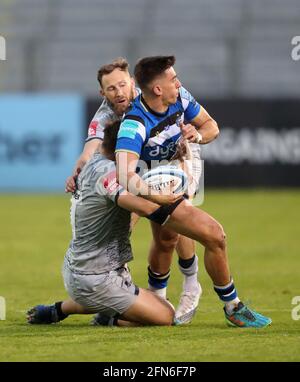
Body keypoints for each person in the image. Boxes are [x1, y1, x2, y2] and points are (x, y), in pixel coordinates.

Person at [28, 121, 271, 328]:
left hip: (88, 268)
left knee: (150, 301)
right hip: (95, 276)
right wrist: (174, 197)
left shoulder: (97, 162)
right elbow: (148, 209)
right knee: (165, 315)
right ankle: (108, 317)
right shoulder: (109, 173)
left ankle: (57, 310)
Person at [65, 57, 206, 323]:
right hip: (134, 165)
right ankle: (128, 289)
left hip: (172, 158)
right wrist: (78, 169)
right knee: (123, 221)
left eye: (121, 85)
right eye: (111, 89)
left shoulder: (157, 90)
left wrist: (193, 137)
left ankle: (191, 283)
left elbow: (205, 122)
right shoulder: (104, 117)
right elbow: (91, 149)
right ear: (103, 93)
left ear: (132, 82)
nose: (118, 93)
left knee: (175, 218)